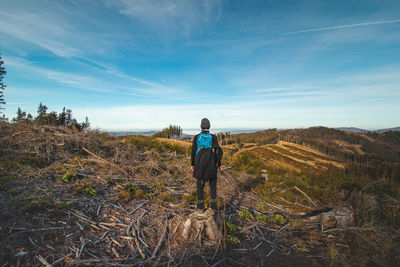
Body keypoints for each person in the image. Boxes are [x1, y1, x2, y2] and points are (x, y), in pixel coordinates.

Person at [191, 118, 223, 210]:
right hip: (211, 164)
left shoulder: (197, 137)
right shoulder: (213, 137)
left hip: (199, 164)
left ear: (201, 126)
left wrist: (192, 164)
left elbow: (193, 152)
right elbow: (217, 152)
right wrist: (219, 164)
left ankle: (200, 206)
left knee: (200, 185)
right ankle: (213, 206)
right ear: (209, 127)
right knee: (212, 184)